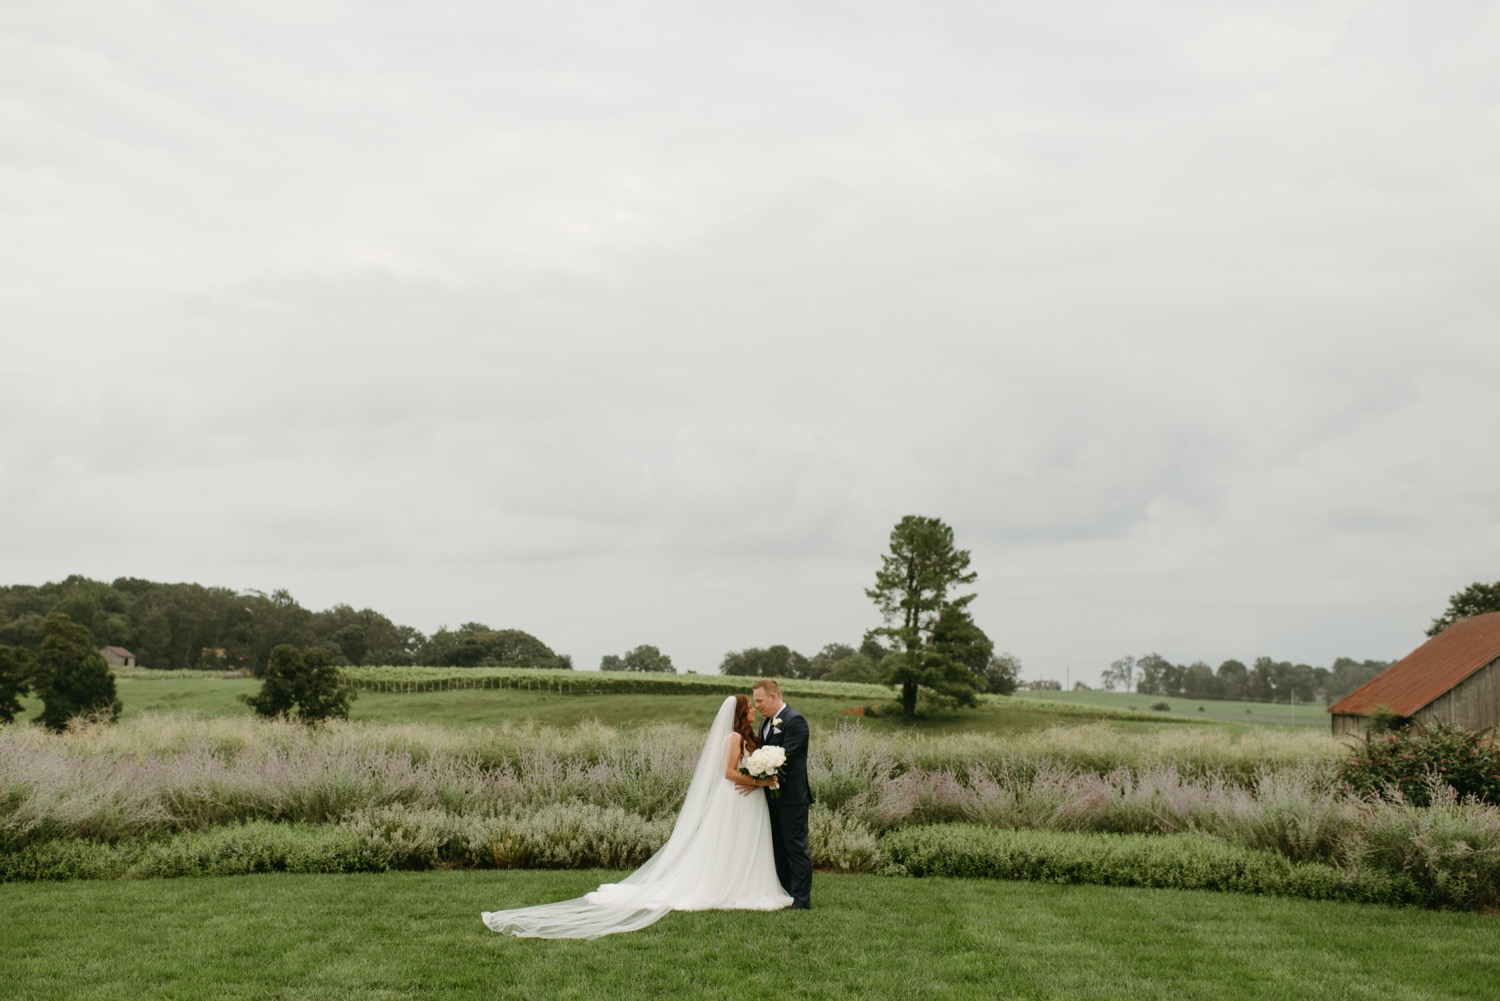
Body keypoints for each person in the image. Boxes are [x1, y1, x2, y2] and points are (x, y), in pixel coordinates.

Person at [481, 694, 790, 939]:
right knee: (727, 842)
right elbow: (728, 773)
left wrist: (763, 776)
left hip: (749, 800)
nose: (754, 709)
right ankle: (725, 886)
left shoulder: (750, 733)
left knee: (744, 844)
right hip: (735, 800)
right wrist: (760, 781)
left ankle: (743, 882)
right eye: (750, 706)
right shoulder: (733, 738)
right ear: (740, 711)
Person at [748, 678, 813, 909]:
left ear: (773, 697)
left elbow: (786, 756)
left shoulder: (795, 721)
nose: (757, 706)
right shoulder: (766, 723)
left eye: (760, 700)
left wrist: (755, 779)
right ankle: (785, 895)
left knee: (795, 847)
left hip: (792, 798)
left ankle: (801, 900)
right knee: (777, 848)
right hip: (771, 798)